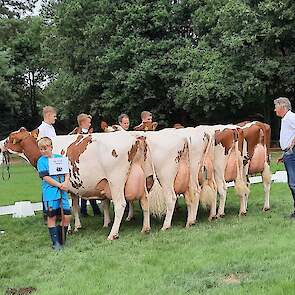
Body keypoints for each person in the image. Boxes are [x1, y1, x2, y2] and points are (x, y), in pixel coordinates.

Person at [37, 137, 71, 250]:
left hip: (63, 192)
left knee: (67, 215)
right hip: (50, 193)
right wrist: (59, 185)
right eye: (41, 149)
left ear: (51, 147)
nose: (43, 151)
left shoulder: (59, 158)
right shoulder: (41, 161)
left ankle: (62, 238)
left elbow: (66, 173)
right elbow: (46, 177)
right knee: (52, 216)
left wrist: (65, 183)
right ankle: (55, 242)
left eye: (45, 148)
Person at [69, 113, 101, 217]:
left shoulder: (92, 133)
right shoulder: (75, 134)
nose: (90, 124)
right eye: (88, 122)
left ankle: (94, 209)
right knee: (83, 186)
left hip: (91, 161)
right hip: (80, 162)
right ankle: (84, 210)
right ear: (82, 123)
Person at [274, 97, 295, 218]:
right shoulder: (286, 118)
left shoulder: (290, 117)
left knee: (293, 183)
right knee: (292, 183)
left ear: (283, 106)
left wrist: (293, 144)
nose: (274, 109)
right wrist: (284, 154)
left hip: (292, 153)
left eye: (276, 106)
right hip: (289, 154)